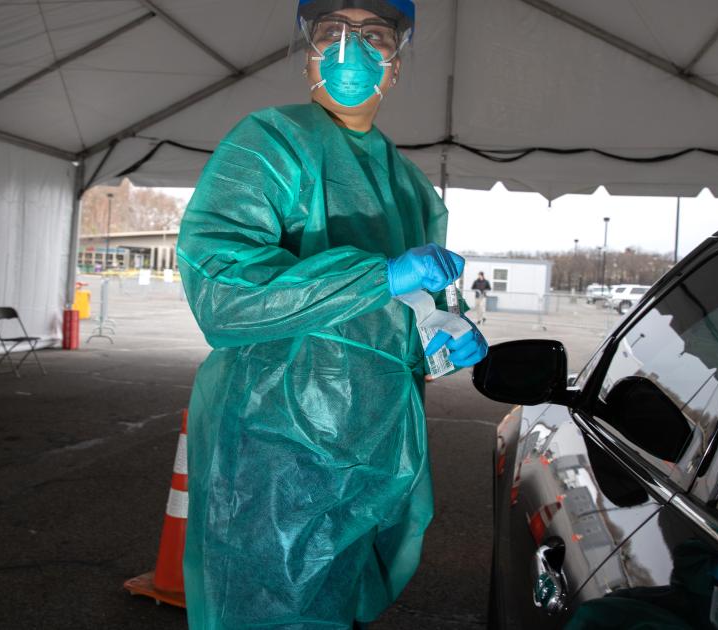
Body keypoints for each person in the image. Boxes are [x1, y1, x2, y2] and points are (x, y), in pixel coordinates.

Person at [174, 1, 488, 626]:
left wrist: (440, 334)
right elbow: (222, 291)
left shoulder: (409, 185)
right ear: (308, 55)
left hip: (378, 444)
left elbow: (408, 314)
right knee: (267, 605)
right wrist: (379, 275)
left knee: (343, 601)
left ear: (398, 61)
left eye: (375, 35)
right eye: (331, 32)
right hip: (275, 444)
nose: (351, 50)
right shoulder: (270, 144)